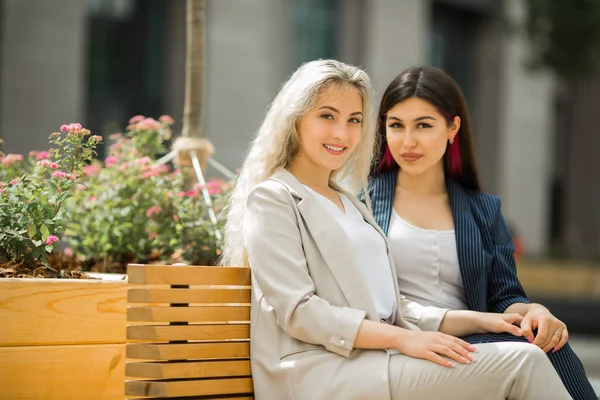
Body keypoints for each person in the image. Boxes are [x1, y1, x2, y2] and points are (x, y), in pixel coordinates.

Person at [222, 59, 571, 400]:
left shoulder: (349, 203)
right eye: (327, 116)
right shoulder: (273, 199)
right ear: (295, 119)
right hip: (316, 372)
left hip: (372, 362)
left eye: (354, 120)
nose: (341, 133)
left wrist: (484, 320)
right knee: (521, 363)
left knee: (529, 351)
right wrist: (403, 340)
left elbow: (393, 308)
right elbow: (299, 311)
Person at [368, 65, 596, 399]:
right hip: (400, 345)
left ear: (452, 127)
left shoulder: (482, 210)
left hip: (472, 345)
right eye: (396, 126)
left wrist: (536, 312)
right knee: (529, 352)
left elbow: (505, 298)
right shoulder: (363, 202)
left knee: (548, 344)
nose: (408, 141)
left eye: (423, 126)